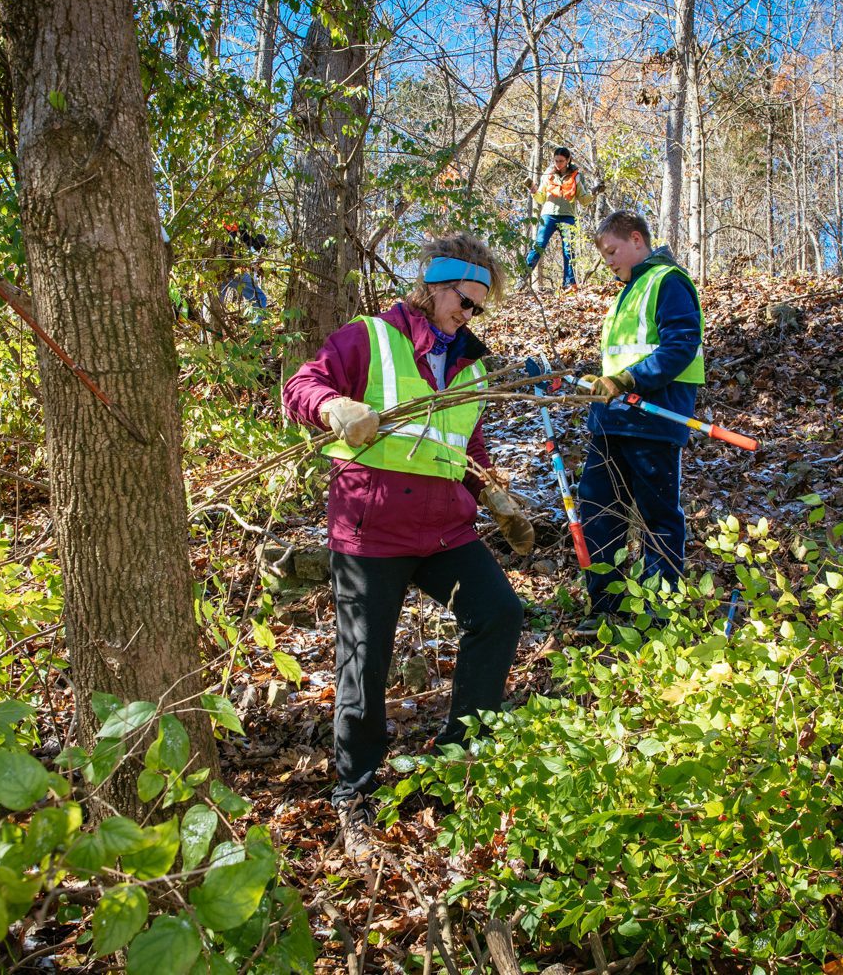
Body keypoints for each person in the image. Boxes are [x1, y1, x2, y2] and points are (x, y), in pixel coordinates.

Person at [281, 234, 535, 856]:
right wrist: (335, 405)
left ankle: (459, 759)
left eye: (478, 307)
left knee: (498, 613)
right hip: (373, 530)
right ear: (433, 286)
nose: (469, 316)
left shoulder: (471, 365)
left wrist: (494, 493)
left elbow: (466, 446)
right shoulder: (370, 337)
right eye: (464, 301)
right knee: (364, 663)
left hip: (445, 530)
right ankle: (356, 793)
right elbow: (300, 386)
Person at [576, 210, 703, 629]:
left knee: (658, 518)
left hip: (653, 420)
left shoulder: (668, 281)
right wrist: (605, 383)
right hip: (610, 423)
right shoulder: (626, 292)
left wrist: (627, 379)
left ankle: (659, 613)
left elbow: (679, 346)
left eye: (612, 251)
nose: (608, 261)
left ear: (636, 239)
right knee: (598, 512)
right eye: (604, 255)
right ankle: (607, 610)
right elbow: (621, 357)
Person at [524, 146, 602, 291]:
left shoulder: (577, 176)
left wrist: (594, 192)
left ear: (568, 160)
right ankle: (522, 278)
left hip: (568, 217)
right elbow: (541, 198)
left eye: (561, 161)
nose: (558, 164)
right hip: (548, 216)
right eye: (556, 161)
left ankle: (569, 285)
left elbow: (584, 200)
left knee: (569, 251)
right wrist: (533, 190)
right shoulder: (548, 175)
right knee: (539, 246)